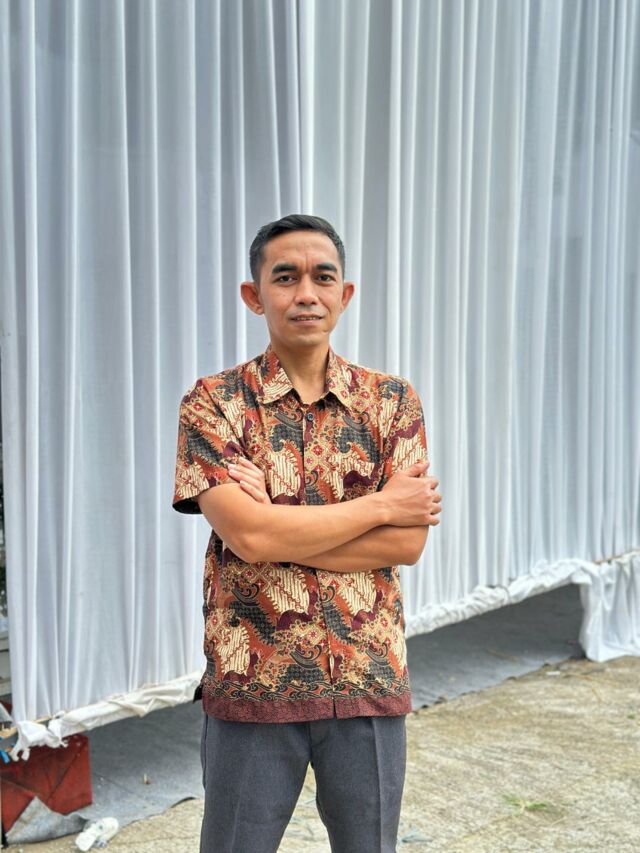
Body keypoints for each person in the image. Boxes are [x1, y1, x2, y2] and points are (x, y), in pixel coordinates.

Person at [172, 214, 441, 853]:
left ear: (344, 294)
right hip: (254, 680)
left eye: (323, 278)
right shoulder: (213, 403)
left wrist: (277, 522)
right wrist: (381, 505)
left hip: (367, 677)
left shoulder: (392, 402)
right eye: (285, 277)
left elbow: (406, 544)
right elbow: (251, 540)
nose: (306, 294)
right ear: (254, 295)